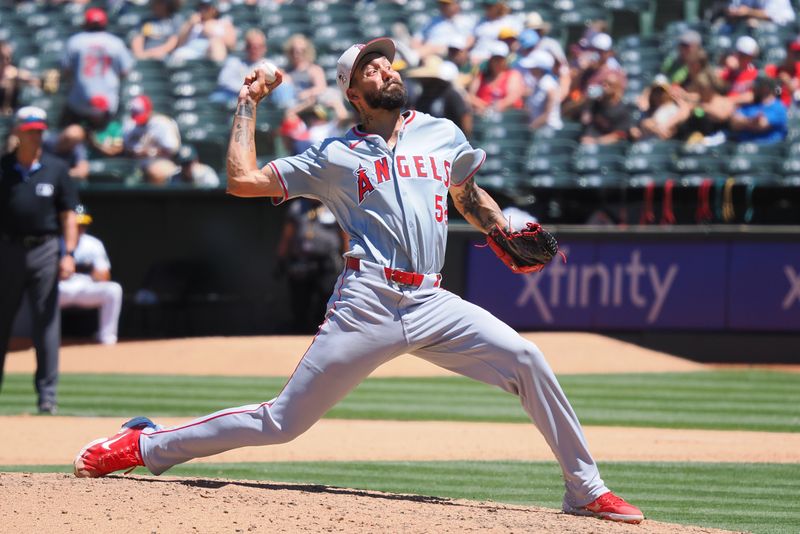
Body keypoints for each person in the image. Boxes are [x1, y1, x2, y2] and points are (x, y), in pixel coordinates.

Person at [73, 37, 645, 526]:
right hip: (367, 300)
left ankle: (585, 489)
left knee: (526, 358)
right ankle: (145, 444)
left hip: (431, 298)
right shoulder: (335, 155)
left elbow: (465, 194)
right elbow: (243, 180)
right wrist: (247, 102)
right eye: (372, 68)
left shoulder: (440, 133)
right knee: (282, 423)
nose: (387, 70)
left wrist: (498, 229)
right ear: (353, 92)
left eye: (388, 63)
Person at [0, 106, 79, 415]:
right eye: (31, 129)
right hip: (7, 249)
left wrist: (69, 253)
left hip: (45, 248)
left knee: (46, 323)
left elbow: (68, 214)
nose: (37, 135)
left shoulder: (56, 168)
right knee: (1, 322)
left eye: (40, 130)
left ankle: (47, 397)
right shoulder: (3, 168)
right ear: (18, 132)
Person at [276, 199, 348, 333]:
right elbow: (287, 235)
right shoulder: (297, 207)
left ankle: (323, 335)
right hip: (302, 262)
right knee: (300, 302)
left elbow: (344, 235)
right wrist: (281, 259)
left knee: (326, 302)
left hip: (327, 263)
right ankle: (299, 334)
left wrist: (347, 260)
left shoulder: (333, 206)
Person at [58, 205, 122, 345]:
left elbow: (105, 276)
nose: (80, 228)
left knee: (114, 289)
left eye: (83, 224)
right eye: (77, 224)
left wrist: (85, 270)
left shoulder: (93, 244)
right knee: (40, 291)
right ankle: (43, 337)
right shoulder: (56, 242)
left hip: (85, 287)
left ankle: (107, 338)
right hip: (61, 288)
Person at [61, 8, 135, 126]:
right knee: (109, 139)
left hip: (79, 102)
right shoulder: (115, 42)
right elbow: (125, 71)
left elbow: (66, 71)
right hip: (108, 102)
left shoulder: (75, 41)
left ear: (86, 23)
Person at [210, 29, 294, 107]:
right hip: (235, 96)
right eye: (251, 46)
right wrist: (247, 89)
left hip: (262, 98)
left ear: (264, 48)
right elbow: (223, 81)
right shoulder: (234, 62)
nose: (255, 49)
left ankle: (286, 112)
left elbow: (280, 82)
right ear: (246, 47)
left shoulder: (269, 64)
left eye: (259, 46)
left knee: (284, 87)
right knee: (217, 97)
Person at [122, 94, 181, 184]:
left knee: (159, 172)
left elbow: (173, 150)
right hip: (134, 165)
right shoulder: (129, 125)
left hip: (159, 163)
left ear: (149, 110)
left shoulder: (162, 124)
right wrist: (137, 152)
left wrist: (150, 152)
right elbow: (125, 148)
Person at [468, 40, 525, 114]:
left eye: (500, 59)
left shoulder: (513, 75)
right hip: (483, 115)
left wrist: (498, 106)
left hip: (507, 116)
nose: (497, 62)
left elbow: (514, 96)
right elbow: (470, 96)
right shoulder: (481, 76)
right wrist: (482, 106)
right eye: (495, 59)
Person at [170, 0, 236, 64]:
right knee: (177, 54)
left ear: (214, 9)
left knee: (216, 44)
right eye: (201, 7)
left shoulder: (223, 23)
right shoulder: (193, 23)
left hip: (210, 53)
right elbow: (178, 43)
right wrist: (189, 25)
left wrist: (211, 32)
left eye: (206, 7)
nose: (203, 10)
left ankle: (217, 69)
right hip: (190, 52)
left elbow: (231, 44)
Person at [729, 75, 788, 144]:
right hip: (743, 145)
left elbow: (760, 126)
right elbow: (733, 124)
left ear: (766, 88)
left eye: (757, 86)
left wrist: (743, 121)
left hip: (766, 149)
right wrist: (752, 121)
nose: (753, 88)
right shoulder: (749, 104)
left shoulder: (778, 107)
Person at [410, 0, 475, 60]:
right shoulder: (433, 20)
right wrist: (419, 49)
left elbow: (470, 40)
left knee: (434, 49)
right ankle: (413, 56)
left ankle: (412, 57)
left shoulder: (465, 21)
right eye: (442, 4)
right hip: (428, 52)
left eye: (447, 4)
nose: (443, 6)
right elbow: (417, 38)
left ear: (457, 5)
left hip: (450, 52)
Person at [580, 71, 632, 144]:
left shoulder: (624, 109)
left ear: (617, 88)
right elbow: (585, 121)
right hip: (589, 145)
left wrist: (596, 141)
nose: (604, 86)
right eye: (603, 83)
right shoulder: (595, 104)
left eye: (609, 84)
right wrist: (588, 102)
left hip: (611, 149)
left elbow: (619, 135)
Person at [520, 50, 562, 131]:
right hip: (539, 132)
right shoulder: (539, 83)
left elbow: (547, 115)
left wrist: (529, 128)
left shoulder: (549, 85)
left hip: (550, 132)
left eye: (533, 67)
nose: (530, 69)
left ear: (540, 68)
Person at [719, 35, 759, 106]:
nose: (746, 59)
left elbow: (750, 97)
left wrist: (727, 100)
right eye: (742, 55)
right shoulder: (727, 72)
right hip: (725, 108)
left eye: (748, 56)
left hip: (745, 110)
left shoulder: (754, 73)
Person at [1, 40, 38, 116]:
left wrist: (17, 78)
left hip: (10, 113)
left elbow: (33, 80)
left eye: (8, 57)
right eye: (2, 57)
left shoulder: (13, 72)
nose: (6, 61)